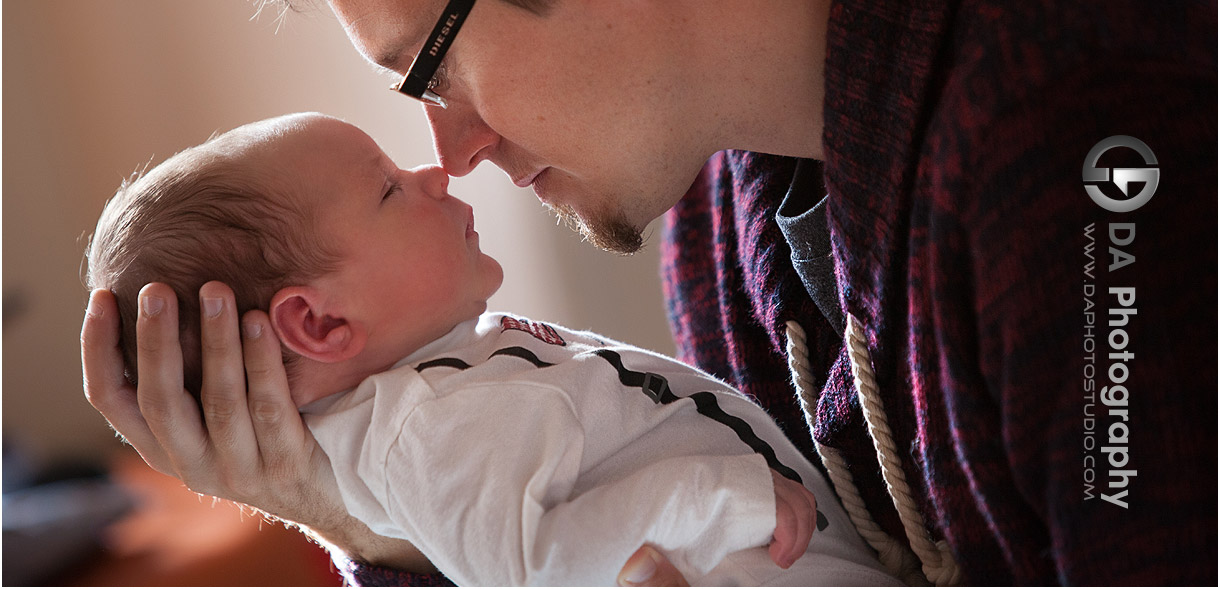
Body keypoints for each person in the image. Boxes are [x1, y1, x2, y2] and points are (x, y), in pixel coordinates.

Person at [81, 0, 1217, 585]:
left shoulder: (1092, 129)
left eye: (430, 66)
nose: (455, 147)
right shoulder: (722, 199)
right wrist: (373, 520)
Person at [85, 111, 900, 586]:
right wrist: (713, 494)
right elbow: (541, 569)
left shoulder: (444, 386)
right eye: (388, 189)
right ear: (322, 324)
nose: (435, 174)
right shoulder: (428, 428)